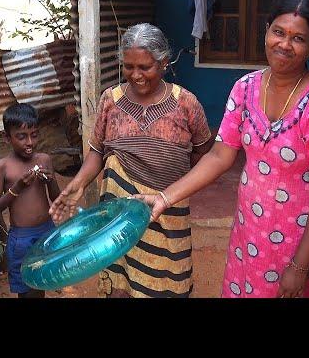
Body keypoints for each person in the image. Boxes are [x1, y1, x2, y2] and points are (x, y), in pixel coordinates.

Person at [138, 0, 309, 298]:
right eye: (278, 32)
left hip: (294, 245)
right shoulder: (245, 87)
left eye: (298, 38)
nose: (285, 44)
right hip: (248, 234)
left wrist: (300, 267)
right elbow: (220, 155)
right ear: (266, 31)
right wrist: (164, 197)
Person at [49, 23, 212, 298]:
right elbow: (97, 151)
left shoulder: (186, 103)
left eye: (145, 67)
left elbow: (203, 153)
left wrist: (172, 186)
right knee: (119, 281)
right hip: (115, 216)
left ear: (164, 62)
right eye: (128, 67)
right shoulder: (110, 100)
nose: (136, 75)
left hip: (165, 213)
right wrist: (78, 183)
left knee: (165, 282)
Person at [0, 103, 61, 298]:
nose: (29, 142)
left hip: (47, 231)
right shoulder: (1, 167)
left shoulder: (44, 159)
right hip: (21, 238)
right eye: (21, 136)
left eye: (34, 135)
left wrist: (51, 180)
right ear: (7, 138)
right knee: (27, 290)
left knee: (42, 283)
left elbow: (55, 198)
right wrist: (17, 188)